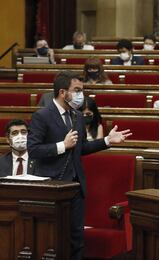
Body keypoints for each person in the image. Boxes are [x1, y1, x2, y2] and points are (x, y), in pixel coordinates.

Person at [27, 70, 132, 259]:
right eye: (76, 90)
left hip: (76, 186)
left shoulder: (77, 116)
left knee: (76, 239)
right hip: (52, 186)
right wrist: (62, 145)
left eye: (81, 90)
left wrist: (107, 140)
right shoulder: (42, 116)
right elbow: (33, 150)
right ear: (62, 92)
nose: (80, 95)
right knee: (52, 239)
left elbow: (81, 148)